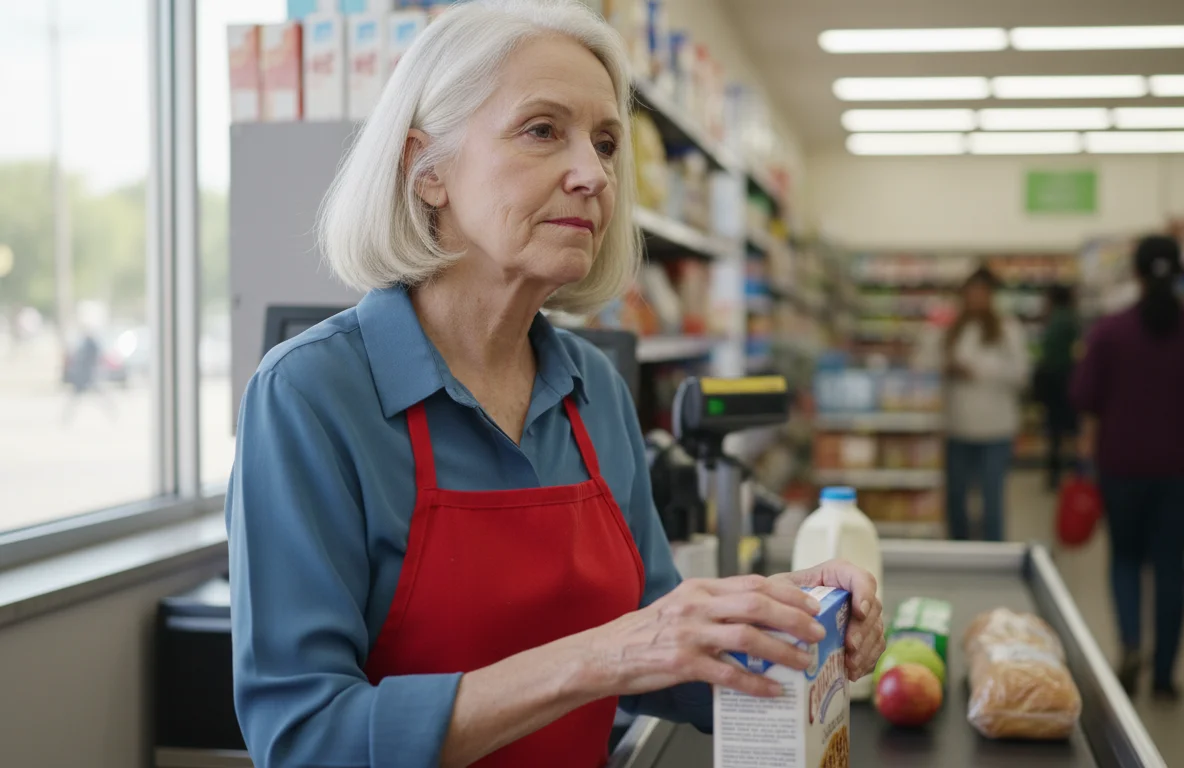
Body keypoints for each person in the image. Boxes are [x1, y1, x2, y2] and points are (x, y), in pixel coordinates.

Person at [224, 3, 885, 767]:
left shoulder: (593, 388)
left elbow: (658, 649)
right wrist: (603, 657)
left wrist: (790, 626)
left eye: (606, 143)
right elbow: (305, 739)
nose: (594, 173)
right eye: (543, 131)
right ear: (425, 168)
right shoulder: (310, 397)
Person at [1071, 234, 1184, 700]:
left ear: (1138, 275)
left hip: (1122, 465)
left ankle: (1129, 645)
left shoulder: (1109, 331)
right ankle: (1164, 676)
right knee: (1169, 563)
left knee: (1125, 558)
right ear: (1181, 271)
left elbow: (1083, 396)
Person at [941, 266, 1029, 541]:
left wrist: (978, 371)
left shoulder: (1008, 329)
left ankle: (994, 551)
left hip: (996, 428)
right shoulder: (954, 330)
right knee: (956, 496)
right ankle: (959, 547)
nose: (976, 299)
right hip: (957, 426)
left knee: (993, 498)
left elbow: (1022, 374)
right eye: (971, 293)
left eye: (982, 293)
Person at [1035, 284, 1080, 490]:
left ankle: (1055, 474)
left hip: (1055, 380)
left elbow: (1047, 351)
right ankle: (1073, 473)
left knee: (1054, 428)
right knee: (1069, 428)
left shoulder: (1056, 319)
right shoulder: (1070, 318)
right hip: (1068, 378)